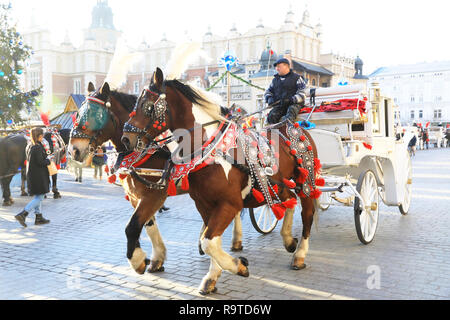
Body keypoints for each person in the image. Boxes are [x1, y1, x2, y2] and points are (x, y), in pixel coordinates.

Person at [15, 128, 51, 228]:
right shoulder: (37, 147)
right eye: (42, 135)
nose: (43, 137)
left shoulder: (30, 146)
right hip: (38, 176)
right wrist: (48, 160)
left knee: (38, 196)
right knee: (40, 197)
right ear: (39, 136)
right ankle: (23, 214)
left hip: (33, 175)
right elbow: (40, 162)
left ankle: (38, 217)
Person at [264, 58, 307, 124]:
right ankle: (274, 134)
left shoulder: (297, 78)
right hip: (280, 105)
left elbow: (302, 93)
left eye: (279, 67)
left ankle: (287, 132)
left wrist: (291, 100)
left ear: (286, 66)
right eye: (276, 67)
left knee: (290, 112)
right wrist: (269, 98)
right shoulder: (275, 80)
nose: (277, 69)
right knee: (272, 116)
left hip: (294, 104)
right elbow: (268, 92)